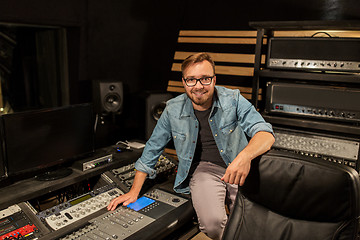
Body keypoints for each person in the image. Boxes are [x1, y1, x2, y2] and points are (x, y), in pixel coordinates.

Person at [108, 52, 275, 240]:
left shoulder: (233, 99)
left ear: (214, 79)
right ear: (184, 81)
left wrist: (244, 157)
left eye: (205, 79)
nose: (198, 86)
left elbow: (265, 134)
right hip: (205, 170)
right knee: (212, 225)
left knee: (254, 220)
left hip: (239, 164)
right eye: (191, 80)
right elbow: (152, 148)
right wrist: (133, 191)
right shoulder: (172, 109)